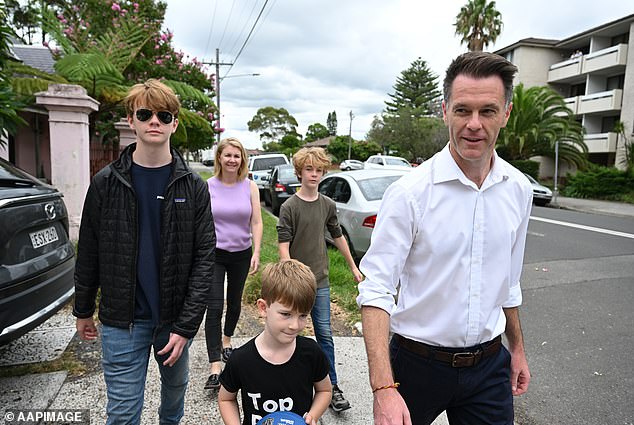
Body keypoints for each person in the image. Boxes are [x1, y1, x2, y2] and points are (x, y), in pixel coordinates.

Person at [357, 51, 532, 425]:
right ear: (444, 110)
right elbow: (376, 291)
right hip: (415, 366)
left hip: (489, 367)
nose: (474, 124)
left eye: (487, 111)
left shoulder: (518, 189)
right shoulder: (409, 193)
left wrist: (517, 350)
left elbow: (509, 284)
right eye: (462, 110)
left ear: (506, 113)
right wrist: (384, 390)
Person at [73, 79, 215, 425]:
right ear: (131, 120)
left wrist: (186, 326)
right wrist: (83, 308)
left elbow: (204, 258)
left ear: (174, 124)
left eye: (164, 115)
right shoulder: (105, 183)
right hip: (123, 320)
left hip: (174, 320)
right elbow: (90, 249)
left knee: (174, 398)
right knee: (122, 415)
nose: (155, 121)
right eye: (146, 113)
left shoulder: (193, 187)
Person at [276, 146, 363, 412]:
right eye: (309, 170)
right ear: (299, 172)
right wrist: (289, 278)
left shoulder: (328, 205)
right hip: (297, 283)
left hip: (321, 282)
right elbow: (283, 247)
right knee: (290, 333)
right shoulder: (289, 206)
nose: (314, 174)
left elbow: (338, 237)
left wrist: (353, 267)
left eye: (318, 170)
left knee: (324, 334)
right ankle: (291, 385)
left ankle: (332, 386)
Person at [218, 259, 332, 425]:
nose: (294, 325)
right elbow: (226, 399)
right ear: (263, 308)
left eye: (303, 315)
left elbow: (325, 390)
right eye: (286, 314)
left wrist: (313, 415)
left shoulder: (311, 353)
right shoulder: (241, 359)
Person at [204, 137, 263, 390]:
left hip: (241, 253)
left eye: (236, 156)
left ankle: (226, 340)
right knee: (214, 306)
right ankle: (215, 367)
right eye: (227, 155)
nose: (232, 160)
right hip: (214, 254)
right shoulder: (207, 185)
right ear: (219, 158)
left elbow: (257, 222)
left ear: (242, 160)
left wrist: (256, 252)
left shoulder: (250, 186)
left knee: (235, 303)